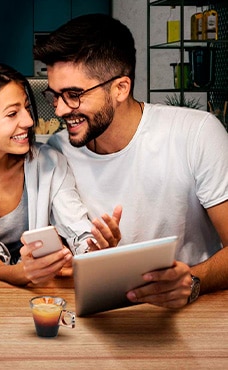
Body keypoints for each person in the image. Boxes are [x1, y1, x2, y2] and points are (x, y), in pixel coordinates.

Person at [31, 13, 228, 308]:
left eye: (73, 95)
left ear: (120, 88)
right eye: (54, 95)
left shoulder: (196, 133)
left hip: (189, 313)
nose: (59, 110)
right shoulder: (57, 152)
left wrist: (192, 281)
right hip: (101, 316)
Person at [0, 59, 121, 286]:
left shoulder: (47, 162)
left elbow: (76, 226)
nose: (29, 121)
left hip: (30, 300)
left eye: (26, 108)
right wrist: (24, 273)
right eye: (12, 113)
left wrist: (94, 249)